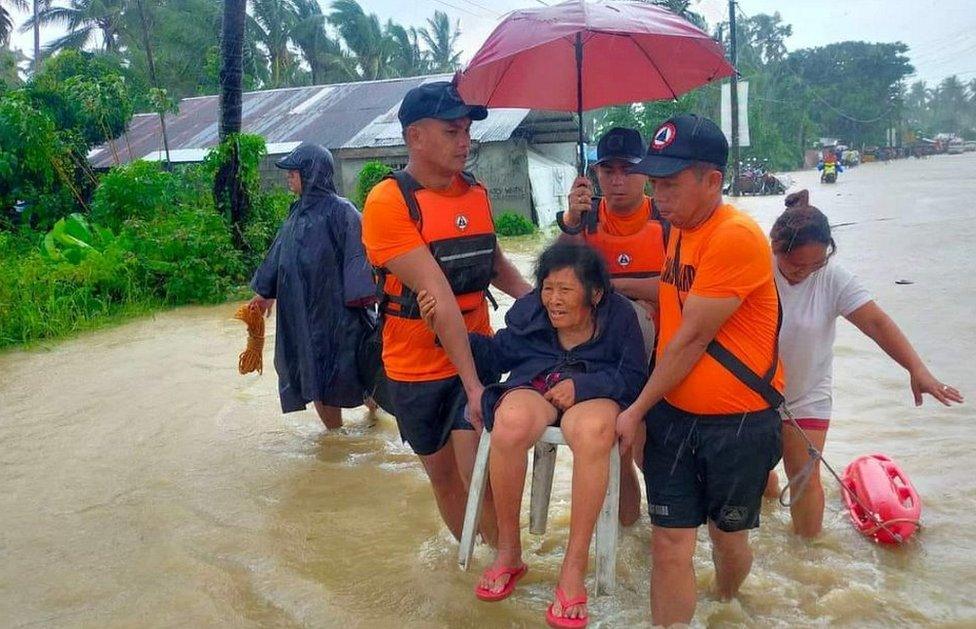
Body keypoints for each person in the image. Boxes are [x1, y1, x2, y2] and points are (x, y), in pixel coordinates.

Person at [417, 242, 646, 628]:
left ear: (595, 293)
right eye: (548, 288)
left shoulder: (621, 318)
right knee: (509, 422)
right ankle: (509, 553)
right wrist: (441, 326)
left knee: (592, 431)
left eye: (566, 290)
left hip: (596, 393)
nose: (553, 300)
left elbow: (633, 377)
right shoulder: (532, 313)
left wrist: (584, 386)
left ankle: (573, 570)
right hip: (536, 383)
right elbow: (494, 355)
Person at [614, 115, 784, 627]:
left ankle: (726, 601)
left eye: (671, 182)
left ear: (713, 180)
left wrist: (636, 408)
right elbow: (669, 302)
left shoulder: (734, 236)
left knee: (726, 538)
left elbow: (691, 338)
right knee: (669, 542)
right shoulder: (682, 232)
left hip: (737, 425)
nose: (657, 193)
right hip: (674, 416)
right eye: (655, 181)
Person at [361, 81, 533, 545]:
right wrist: (473, 384)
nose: (465, 141)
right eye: (452, 131)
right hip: (414, 369)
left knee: (484, 472)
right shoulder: (388, 202)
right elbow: (434, 290)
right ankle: (470, 560)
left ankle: (503, 558)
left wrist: (544, 305)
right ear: (415, 136)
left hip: (475, 356)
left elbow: (495, 265)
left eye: (467, 131)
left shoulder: (476, 193)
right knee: (444, 478)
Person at [763, 190, 964, 537]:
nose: (806, 273)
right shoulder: (754, 267)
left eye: (816, 264)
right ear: (775, 247)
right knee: (755, 477)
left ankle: (808, 557)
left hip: (807, 394)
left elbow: (876, 323)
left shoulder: (833, 278)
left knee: (805, 478)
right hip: (755, 394)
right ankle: (765, 501)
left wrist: (917, 369)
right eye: (796, 266)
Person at [558, 126, 670, 526]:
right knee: (618, 455)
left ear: (646, 172)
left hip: (662, 358)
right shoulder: (583, 223)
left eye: (628, 169)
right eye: (608, 171)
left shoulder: (668, 218)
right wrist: (571, 219)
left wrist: (612, 286)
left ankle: (665, 529)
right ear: (596, 174)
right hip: (602, 360)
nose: (618, 180)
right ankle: (628, 538)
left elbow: (681, 286)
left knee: (652, 455)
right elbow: (559, 286)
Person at [249, 143, 376, 428]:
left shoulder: (342, 212)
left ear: (311, 173)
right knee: (315, 376)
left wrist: (363, 302)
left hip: (339, 316)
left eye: (294, 171)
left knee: (356, 372)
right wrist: (264, 293)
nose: (288, 176)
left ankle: (372, 418)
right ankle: (335, 438)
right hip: (303, 317)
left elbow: (361, 258)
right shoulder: (295, 214)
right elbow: (279, 254)